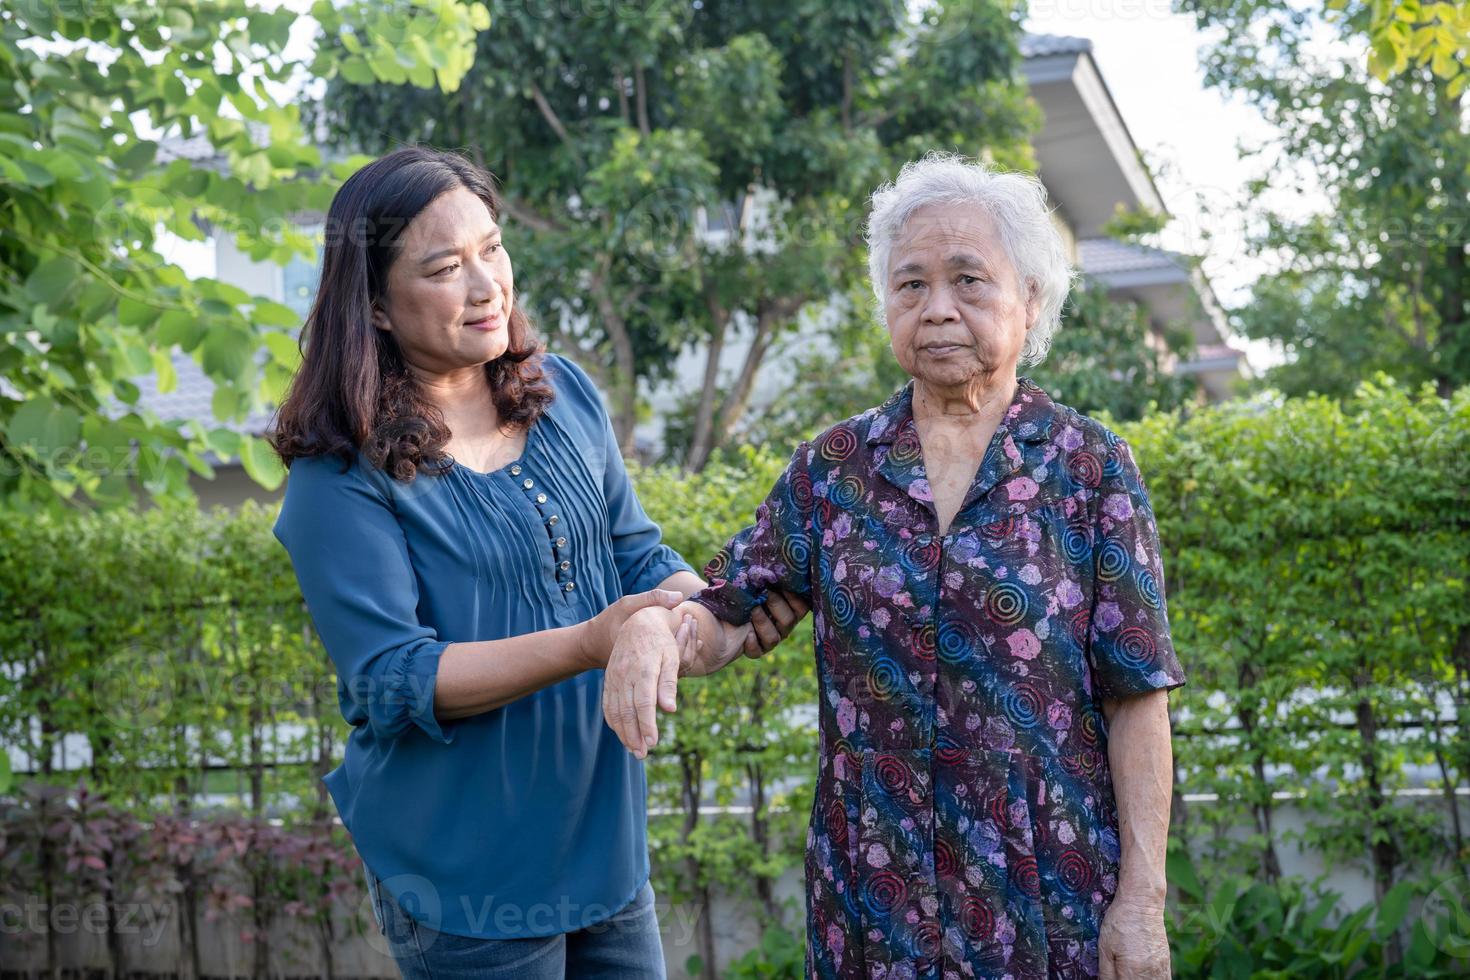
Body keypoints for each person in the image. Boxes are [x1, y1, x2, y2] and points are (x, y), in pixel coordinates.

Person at [604, 153, 1187, 979]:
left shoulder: (1088, 467)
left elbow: (1138, 697)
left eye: (968, 281)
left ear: (1030, 299)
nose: (938, 308)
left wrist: (1142, 903)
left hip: (1049, 897)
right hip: (873, 900)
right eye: (911, 285)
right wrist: (656, 631)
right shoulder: (833, 470)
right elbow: (732, 609)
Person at [268, 145, 806, 978]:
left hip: (600, 839)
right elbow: (393, 677)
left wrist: (710, 611)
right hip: (465, 873)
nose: (486, 286)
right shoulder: (339, 473)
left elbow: (637, 556)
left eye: (493, 249)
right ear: (373, 306)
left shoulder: (564, 397)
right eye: (446, 267)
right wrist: (592, 641)